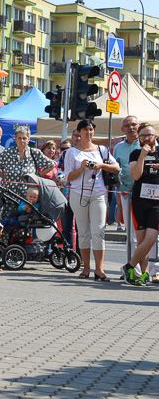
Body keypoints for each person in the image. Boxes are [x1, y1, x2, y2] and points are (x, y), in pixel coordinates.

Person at [62, 119, 120, 280]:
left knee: (99, 231)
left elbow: (116, 168)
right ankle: (86, 268)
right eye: (85, 130)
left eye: (91, 129)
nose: (89, 132)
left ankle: (99, 269)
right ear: (79, 133)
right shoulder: (71, 152)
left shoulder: (102, 150)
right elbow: (67, 177)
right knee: (83, 231)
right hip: (78, 193)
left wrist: (100, 165)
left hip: (98, 193)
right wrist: (82, 168)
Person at [0, 125, 54, 226]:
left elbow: (51, 165)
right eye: (19, 138)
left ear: (28, 139)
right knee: (6, 224)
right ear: (15, 139)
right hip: (8, 196)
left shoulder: (35, 153)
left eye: (24, 138)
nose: (22, 140)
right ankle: (5, 242)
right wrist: (3, 175)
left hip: (27, 198)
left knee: (24, 225)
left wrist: (38, 176)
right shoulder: (8, 153)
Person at [125, 123, 159, 286]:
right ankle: (143, 274)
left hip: (157, 203)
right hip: (139, 201)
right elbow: (136, 176)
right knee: (141, 241)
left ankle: (129, 266)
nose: (146, 138)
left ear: (155, 137)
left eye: (149, 135)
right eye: (143, 136)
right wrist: (142, 157)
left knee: (151, 238)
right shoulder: (136, 153)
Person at [114, 115, 140, 236]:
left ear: (138, 126)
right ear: (122, 129)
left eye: (134, 124)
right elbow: (115, 167)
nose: (131, 127)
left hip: (145, 191)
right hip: (126, 191)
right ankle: (133, 254)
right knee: (130, 230)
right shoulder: (118, 147)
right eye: (127, 125)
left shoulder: (147, 143)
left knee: (145, 227)